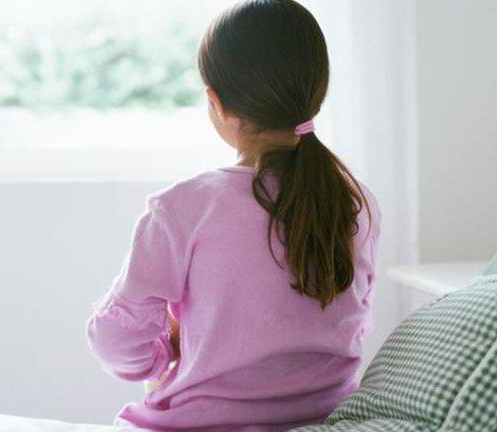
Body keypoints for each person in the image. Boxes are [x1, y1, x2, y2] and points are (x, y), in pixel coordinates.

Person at [86, 1, 380, 430]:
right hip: (327, 418)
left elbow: (116, 344)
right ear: (315, 91)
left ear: (216, 103)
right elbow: (353, 317)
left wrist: (164, 354)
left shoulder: (182, 209)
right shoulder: (357, 202)